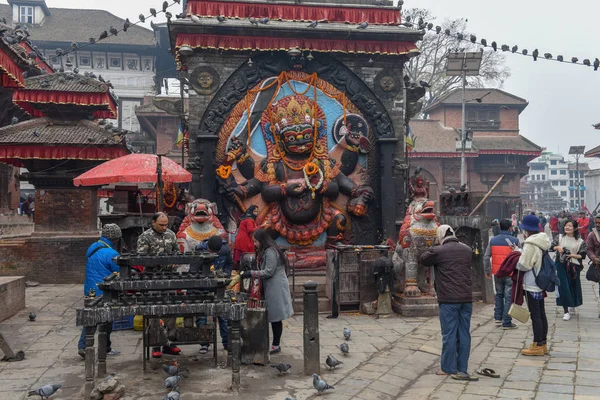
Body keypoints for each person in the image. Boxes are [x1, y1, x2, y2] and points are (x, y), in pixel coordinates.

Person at [420, 225, 476, 381]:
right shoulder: (467, 250)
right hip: (466, 298)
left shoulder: (439, 251)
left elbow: (423, 259)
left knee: (449, 333)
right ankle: (462, 367)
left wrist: (433, 245)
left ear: (440, 236)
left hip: (448, 299)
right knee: (464, 332)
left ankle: (448, 368)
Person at [242, 228, 293, 355]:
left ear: (262, 240)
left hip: (276, 287)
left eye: (255, 241)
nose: (254, 244)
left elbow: (269, 271)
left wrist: (251, 273)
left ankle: (276, 345)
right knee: (274, 317)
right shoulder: (267, 251)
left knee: (276, 317)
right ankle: (273, 344)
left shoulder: (271, 252)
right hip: (271, 286)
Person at [137, 212, 181, 358]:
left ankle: (170, 342)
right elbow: (141, 258)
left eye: (166, 224)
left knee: (171, 310)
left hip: (169, 278)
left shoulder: (171, 235)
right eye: (161, 225)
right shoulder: (145, 237)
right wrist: (156, 261)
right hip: (153, 279)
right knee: (155, 312)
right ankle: (156, 344)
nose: (164, 227)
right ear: (153, 222)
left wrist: (175, 260)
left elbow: (177, 252)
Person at [78, 224, 123, 358]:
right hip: (104, 291)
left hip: (90, 288)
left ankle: (83, 346)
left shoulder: (92, 247)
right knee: (107, 320)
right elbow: (119, 272)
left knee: (90, 319)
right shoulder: (112, 254)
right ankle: (106, 348)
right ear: (115, 239)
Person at [516, 214, 551, 356]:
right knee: (541, 314)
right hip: (540, 282)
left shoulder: (530, 243)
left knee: (535, 315)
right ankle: (542, 343)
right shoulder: (542, 240)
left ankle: (537, 344)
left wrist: (517, 255)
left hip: (531, 283)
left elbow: (524, 265)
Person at [196, 235, 233, 353]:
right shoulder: (200, 249)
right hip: (203, 287)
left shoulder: (225, 250)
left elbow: (229, 264)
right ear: (208, 248)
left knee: (223, 314)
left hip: (219, 286)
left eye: (217, 252)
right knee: (203, 315)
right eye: (212, 252)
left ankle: (227, 342)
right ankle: (204, 343)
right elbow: (193, 269)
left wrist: (226, 274)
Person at [483, 219, 519, 329]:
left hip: (497, 273)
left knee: (499, 295)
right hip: (510, 273)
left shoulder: (493, 240)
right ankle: (507, 322)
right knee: (508, 297)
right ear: (510, 228)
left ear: (499, 227)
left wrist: (487, 271)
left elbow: (486, 257)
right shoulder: (515, 240)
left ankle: (498, 318)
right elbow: (520, 255)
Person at [552, 220, 585, 321]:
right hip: (560, 265)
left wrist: (571, 255)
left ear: (575, 228)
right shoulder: (559, 237)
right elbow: (550, 247)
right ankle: (566, 311)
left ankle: (573, 304)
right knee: (563, 287)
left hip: (574, 266)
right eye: (566, 225)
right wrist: (557, 247)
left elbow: (582, 255)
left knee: (573, 286)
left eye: (570, 226)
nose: (567, 227)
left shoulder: (580, 241)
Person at [586, 213, 600, 319]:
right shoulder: (592, 235)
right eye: (596, 223)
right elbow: (589, 249)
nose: (598, 225)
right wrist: (594, 258)